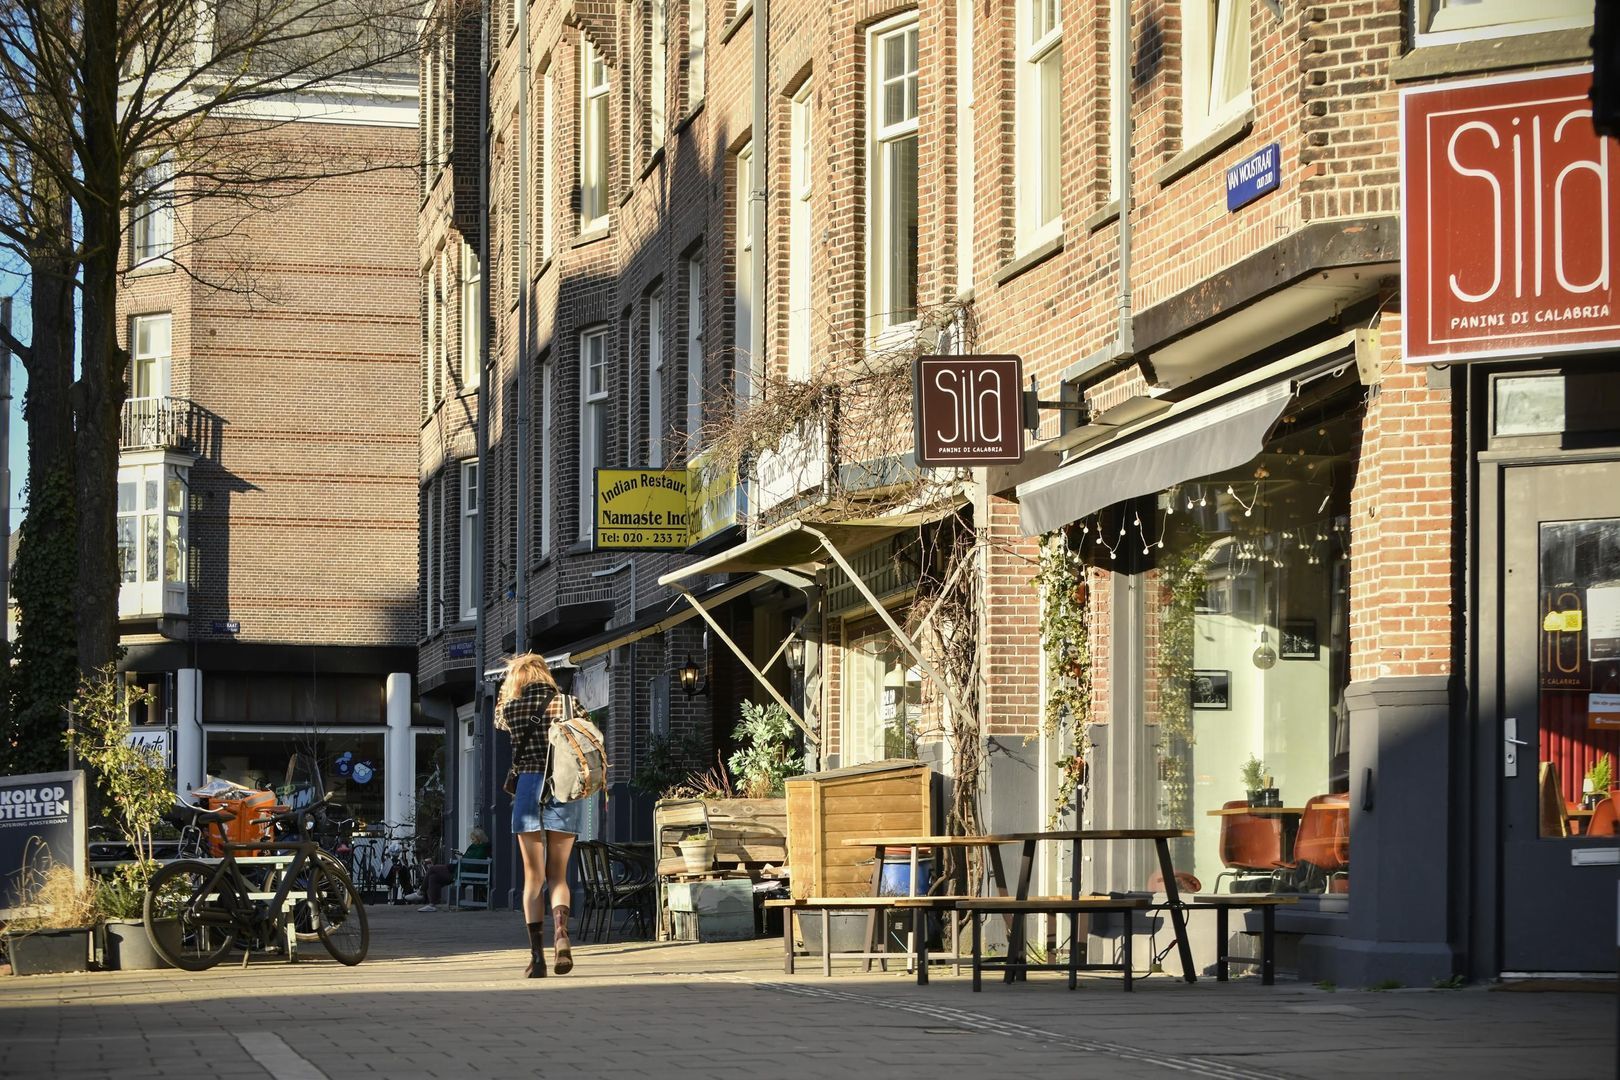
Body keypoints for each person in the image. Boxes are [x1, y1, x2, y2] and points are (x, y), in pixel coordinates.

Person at [496, 652, 589, 977]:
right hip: (563, 788)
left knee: (533, 878)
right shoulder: (568, 704)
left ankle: (536, 958)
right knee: (559, 876)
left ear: (519, 678)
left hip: (527, 789)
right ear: (546, 674)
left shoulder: (512, 707)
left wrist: (508, 691)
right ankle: (561, 933)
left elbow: (498, 721)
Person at [409, 827, 490, 912]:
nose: (472, 841)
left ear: (478, 839)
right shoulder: (474, 847)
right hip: (458, 868)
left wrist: (462, 860)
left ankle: (420, 892)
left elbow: (474, 865)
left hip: (461, 871)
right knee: (433, 877)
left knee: (432, 869)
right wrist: (461, 858)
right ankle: (432, 905)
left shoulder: (481, 849)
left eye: (473, 839)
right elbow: (468, 860)